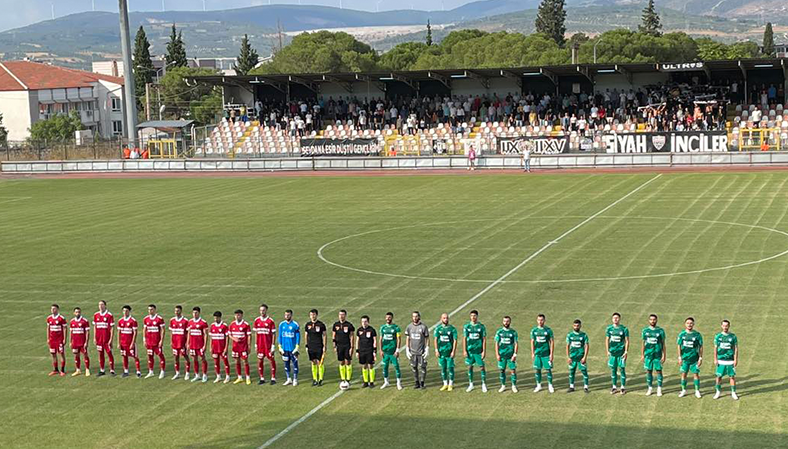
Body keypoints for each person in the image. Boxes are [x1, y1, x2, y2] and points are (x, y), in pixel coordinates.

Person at [677, 317, 703, 398]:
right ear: (685, 324)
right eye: (688, 323)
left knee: (696, 374)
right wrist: (679, 357)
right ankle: (683, 390)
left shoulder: (697, 335)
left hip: (694, 359)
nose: (689, 325)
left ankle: (697, 391)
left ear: (693, 324)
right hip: (685, 359)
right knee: (684, 374)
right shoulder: (682, 334)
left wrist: (700, 358)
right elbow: (679, 346)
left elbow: (701, 347)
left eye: (691, 323)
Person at [641, 314, 666, 397]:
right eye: (651, 319)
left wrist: (664, 355)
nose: (652, 321)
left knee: (659, 371)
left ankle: (659, 388)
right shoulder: (645, 331)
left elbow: (663, 344)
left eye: (654, 319)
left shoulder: (660, 331)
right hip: (648, 355)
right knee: (649, 371)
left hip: (657, 355)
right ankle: (650, 388)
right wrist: (642, 355)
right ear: (649, 320)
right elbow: (643, 343)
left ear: (656, 320)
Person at [463, 310, 488, 393]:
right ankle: (471, 384)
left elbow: (484, 339)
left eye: (474, 316)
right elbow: (464, 339)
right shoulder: (467, 327)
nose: (473, 317)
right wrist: (464, 350)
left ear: (477, 316)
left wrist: (484, 351)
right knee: (470, 366)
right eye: (471, 316)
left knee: (481, 367)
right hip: (470, 351)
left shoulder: (481, 327)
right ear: (470, 317)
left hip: (478, 351)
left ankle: (483, 384)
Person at [713, 319, 739, 400]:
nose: (725, 327)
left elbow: (736, 349)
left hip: (730, 360)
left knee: (732, 377)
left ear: (729, 326)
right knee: (719, 377)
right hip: (721, 360)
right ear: (721, 326)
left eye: (726, 326)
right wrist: (715, 359)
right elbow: (715, 348)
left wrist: (735, 359)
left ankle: (733, 392)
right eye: (723, 325)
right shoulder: (718, 336)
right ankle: (718, 392)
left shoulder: (733, 336)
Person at [605, 312, 629, 394]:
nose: (615, 319)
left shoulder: (624, 329)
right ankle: (614, 387)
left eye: (617, 318)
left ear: (619, 319)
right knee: (613, 369)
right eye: (614, 318)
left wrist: (626, 351)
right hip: (612, 353)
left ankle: (622, 387)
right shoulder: (609, 329)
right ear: (612, 319)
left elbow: (627, 341)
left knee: (622, 369)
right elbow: (607, 340)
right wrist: (607, 350)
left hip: (621, 353)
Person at [253, 304, 277, 385]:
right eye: (260, 310)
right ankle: (262, 378)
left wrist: (273, 345)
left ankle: (273, 378)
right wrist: (256, 344)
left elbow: (274, 334)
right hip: (260, 345)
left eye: (263, 310)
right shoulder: (256, 321)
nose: (262, 312)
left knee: (271, 360)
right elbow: (256, 333)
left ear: (266, 310)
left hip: (268, 346)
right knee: (260, 360)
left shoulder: (270, 321)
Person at [434, 312, 458, 391]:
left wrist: (453, 351)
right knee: (443, 368)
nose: (446, 319)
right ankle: (445, 384)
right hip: (441, 352)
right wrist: (436, 350)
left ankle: (450, 384)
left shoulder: (452, 329)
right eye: (444, 318)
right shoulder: (438, 329)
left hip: (449, 352)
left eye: (447, 318)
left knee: (450, 368)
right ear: (441, 319)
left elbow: (455, 340)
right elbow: (435, 339)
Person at [530, 314, 554, 393]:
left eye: (542, 320)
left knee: (548, 370)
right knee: (537, 369)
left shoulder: (548, 330)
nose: (540, 322)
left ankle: (550, 385)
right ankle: (538, 385)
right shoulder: (534, 331)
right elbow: (532, 342)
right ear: (537, 320)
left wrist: (551, 354)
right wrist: (533, 353)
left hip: (546, 354)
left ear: (544, 320)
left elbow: (552, 342)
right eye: (539, 320)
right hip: (537, 354)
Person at [405, 311, 429, 389]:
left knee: (423, 367)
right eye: (413, 316)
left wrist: (427, 348)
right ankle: (416, 382)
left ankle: (422, 382)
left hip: (421, 352)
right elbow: (408, 338)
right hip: (413, 352)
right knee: (414, 368)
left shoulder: (423, 327)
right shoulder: (409, 327)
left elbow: (427, 338)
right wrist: (407, 349)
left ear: (419, 317)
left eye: (416, 316)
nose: (414, 318)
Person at [379, 311, 403, 390]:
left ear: (392, 318)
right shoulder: (383, 328)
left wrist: (397, 350)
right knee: (385, 367)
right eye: (387, 317)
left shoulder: (396, 328)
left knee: (396, 366)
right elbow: (380, 339)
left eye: (389, 317)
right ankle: (386, 382)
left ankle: (398, 383)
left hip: (393, 352)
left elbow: (399, 339)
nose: (388, 319)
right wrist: (381, 350)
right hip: (385, 351)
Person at [495, 316, 519, 393]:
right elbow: (496, 344)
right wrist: (497, 354)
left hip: (510, 355)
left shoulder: (513, 332)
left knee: (513, 370)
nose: (506, 323)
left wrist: (515, 354)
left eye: (507, 321)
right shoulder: (499, 332)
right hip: (502, 355)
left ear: (510, 322)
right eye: (505, 321)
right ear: (502, 322)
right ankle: (503, 385)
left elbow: (516, 343)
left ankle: (514, 386)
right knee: (502, 370)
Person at [142, 304, 166, 379]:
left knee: (160, 355)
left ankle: (162, 371)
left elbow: (163, 329)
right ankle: (151, 371)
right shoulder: (146, 319)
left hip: (157, 342)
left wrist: (161, 340)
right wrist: (144, 339)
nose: (150, 311)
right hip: (149, 342)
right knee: (150, 356)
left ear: (155, 310)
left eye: (151, 309)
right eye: (149, 309)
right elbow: (144, 329)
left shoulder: (159, 319)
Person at [229, 309, 252, 385]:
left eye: (238, 315)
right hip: (235, 347)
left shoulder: (246, 324)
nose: (237, 316)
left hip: (243, 347)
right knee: (237, 361)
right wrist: (234, 338)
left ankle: (248, 377)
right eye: (236, 315)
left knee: (245, 361)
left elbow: (249, 335)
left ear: (242, 315)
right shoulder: (232, 324)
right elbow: (229, 334)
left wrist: (249, 345)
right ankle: (239, 377)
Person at [93, 300, 116, 376]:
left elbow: (112, 328)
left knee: (109, 353)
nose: (100, 306)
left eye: (102, 304)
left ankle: (112, 370)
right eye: (99, 304)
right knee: (100, 354)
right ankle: (102, 370)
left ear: (105, 306)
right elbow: (95, 327)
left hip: (106, 339)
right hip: (99, 339)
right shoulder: (96, 315)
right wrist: (94, 338)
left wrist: (111, 339)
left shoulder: (109, 315)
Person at [117, 305, 141, 378]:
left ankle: (138, 371)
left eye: (126, 311)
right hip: (123, 343)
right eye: (124, 311)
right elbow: (119, 332)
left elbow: (135, 332)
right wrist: (118, 342)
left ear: (129, 312)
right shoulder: (120, 321)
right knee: (124, 356)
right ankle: (126, 371)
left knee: (135, 356)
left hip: (130, 343)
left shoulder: (133, 321)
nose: (125, 312)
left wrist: (132, 343)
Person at [333, 310, 355, 387]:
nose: (341, 316)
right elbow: (334, 335)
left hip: (347, 345)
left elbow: (352, 336)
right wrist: (334, 345)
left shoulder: (349, 325)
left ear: (345, 316)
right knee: (341, 362)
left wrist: (352, 347)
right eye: (340, 315)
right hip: (339, 346)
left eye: (343, 315)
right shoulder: (336, 325)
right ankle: (343, 378)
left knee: (348, 361)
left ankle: (348, 379)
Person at [305, 309, 327, 386]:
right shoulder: (307, 325)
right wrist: (306, 345)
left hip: (319, 346)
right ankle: (315, 379)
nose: (312, 316)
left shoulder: (321, 325)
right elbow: (306, 335)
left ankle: (320, 379)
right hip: (311, 346)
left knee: (320, 362)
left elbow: (324, 335)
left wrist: (324, 346)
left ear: (316, 315)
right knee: (313, 362)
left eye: (314, 314)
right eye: (311, 315)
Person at [278, 309, 300, 386]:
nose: (287, 316)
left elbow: (298, 336)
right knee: (286, 364)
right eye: (286, 315)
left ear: (291, 315)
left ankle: (295, 379)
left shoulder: (295, 325)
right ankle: (288, 379)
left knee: (295, 363)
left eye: (288, 315)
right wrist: (280, 346)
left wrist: (297, 346)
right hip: (285, 349)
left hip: (293, 349)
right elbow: (280, 336)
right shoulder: (281, 325)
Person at [566, 319, 588, 393]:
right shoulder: (570, 335)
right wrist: (568, 357)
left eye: (578, 325)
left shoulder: (584, 335)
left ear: (580, 326)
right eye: (575, 325)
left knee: (584, 372)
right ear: (573, 326)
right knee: (571, 372)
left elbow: (587, 346)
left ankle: (586, 387)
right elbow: (567, 346)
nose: (576, 327)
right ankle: (571, 387)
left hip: (581, 357)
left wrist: (585, 357)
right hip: (572, 357)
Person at [187, 307, 209, 383]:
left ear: (199, 313)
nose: (194, 314)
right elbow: (189, 333)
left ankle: (205, 375)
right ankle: (197, 375)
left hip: (200, 345)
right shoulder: (190, 322)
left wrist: (205, 345)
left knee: (202, 359)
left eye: (196, 313)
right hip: (193, 345)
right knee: (194, 359)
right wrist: (188, 343)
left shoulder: (203, 322)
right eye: (193, 313)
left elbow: (206, 334)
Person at [169, 305, 191, 380]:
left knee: (185, 357)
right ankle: (177, 373)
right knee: (175, 357)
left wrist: (187, 343)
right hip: (175, 343)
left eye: (178, 311)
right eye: (175, 311)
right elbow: (171, 331)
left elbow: (188, 332)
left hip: (182, 343)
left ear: (181, 311)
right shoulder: (172, 320)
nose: (176, 312)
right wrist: (171, 341)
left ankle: (187, 373)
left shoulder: (185, 321)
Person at [356, 315, 378, 388]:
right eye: (362, 321)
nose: (364, 323)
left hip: (369, 350)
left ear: (368, 322)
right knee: (364, 365)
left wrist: (374, 351)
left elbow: (375, 340)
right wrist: (357, 351)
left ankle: (371, 382)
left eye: (365, 321)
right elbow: (357, 340)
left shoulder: (372, 330)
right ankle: (365, 381)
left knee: (370, 365)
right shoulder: (359, 330)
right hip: (362, 351)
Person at [46, 304, 68, 376]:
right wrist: (48, 338)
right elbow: (48, 328)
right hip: (52, 340)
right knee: (53, 354)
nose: (52, 310)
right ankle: (55, 369)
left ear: (57, 309)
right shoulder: (49, 318)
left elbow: (65, 328)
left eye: (54, 309)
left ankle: (62, 370)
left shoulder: (61, 318)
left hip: (59, 340)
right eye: (51, 309)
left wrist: (64, 339)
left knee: (61, 354)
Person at [209, 311, 231, 383]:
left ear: (220, 318)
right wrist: (210, 347)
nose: (215, 319)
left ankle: (227, 376)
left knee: (225, 362)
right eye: (214, 318)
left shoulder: (224, 326)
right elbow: (211, 337)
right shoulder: (212, 326)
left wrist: (226, 348)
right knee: (216, 362)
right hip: (215, 348)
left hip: (222, 348)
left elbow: (227, 337)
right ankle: (218, 376)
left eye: (217, 318)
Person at [69, 307, 90, 377]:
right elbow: (71, 332)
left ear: (80, 312)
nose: (77, 313)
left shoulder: (84, 321)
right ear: (74, 313)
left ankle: (87, 369)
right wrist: (70, 341)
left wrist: (86, 342)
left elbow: (87, 332)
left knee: (85, 355)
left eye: (78, 312)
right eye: (76, 312)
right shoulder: (72, 321)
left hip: (82, 342)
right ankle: (78, 370)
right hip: (75, 342)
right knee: (76, 355)